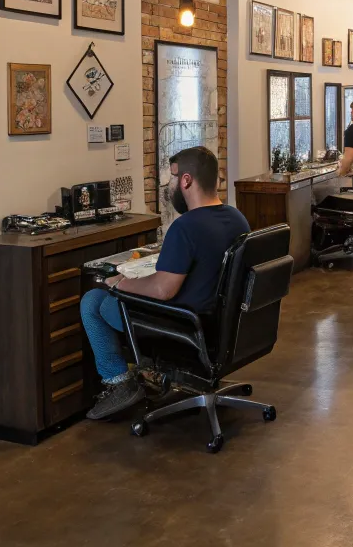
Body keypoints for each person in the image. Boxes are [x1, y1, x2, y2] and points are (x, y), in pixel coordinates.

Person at [79, 146, 250, 421]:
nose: (169, 186)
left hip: (184, 327)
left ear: (186, 181)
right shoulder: (236, 218)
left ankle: (120, 382)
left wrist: (121, 284)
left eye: (172, 178)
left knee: (94, 301)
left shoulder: (186, 227)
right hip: (223, 324)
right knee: (108, 298)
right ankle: (145, 375)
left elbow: (163, 289)